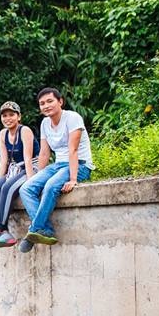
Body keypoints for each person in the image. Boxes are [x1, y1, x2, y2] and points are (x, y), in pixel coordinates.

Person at [17, 87, 94, 252]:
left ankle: (33, 230)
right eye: (42, 103)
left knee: (51, 186)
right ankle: (45, 229)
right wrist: (38, 177)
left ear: (60, 102)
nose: (46, 106)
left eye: (50, 101)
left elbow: (72, 150)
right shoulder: (45, 123)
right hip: (58, 165)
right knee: (26, 188)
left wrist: (73, 179)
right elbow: (44, 153)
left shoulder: (72, 118)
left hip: (80, 165)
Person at [0, 101, 39, 250]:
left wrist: (32, 180)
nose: (8, 118)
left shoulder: (25, 130)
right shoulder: (3, 134)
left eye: (11, 115)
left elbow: (27, 157)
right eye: (4, 116)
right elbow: (4, 160)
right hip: (15, 169)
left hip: (30, 167)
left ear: (19, 116)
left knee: (7, 188)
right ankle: (5, 232)